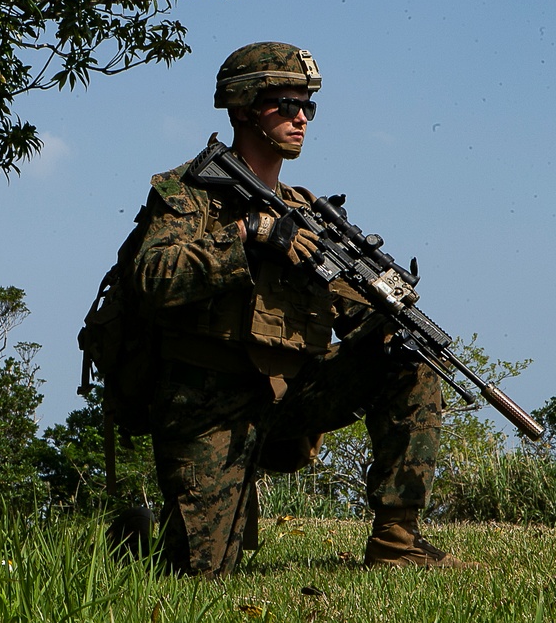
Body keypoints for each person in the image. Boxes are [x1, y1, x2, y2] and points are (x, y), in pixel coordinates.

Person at [128, 41, 474, 577]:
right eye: (287, 104)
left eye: (308, 106)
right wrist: (249, 234)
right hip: (208, 402)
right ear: (243, 108)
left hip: (290, 394)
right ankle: (134, 533)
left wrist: (383, 306)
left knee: (411, 356)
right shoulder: (191, 191)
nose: (302, 118)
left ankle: (397, 542)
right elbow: (154, 277)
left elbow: (348, 307)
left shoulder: (308, 210)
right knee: (199, 573)